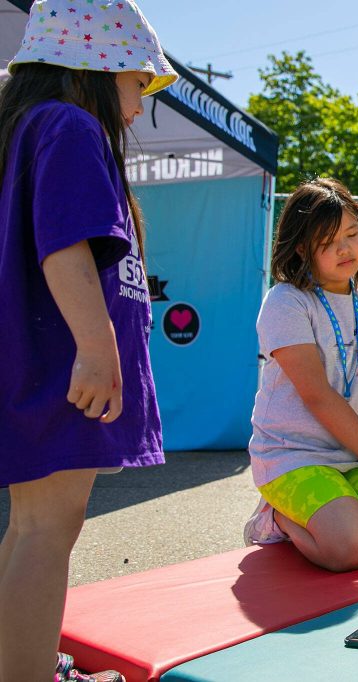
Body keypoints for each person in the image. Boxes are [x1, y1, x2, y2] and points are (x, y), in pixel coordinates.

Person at [0, 2, 178, 680]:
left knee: (32, 526)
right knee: (49, 529)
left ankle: (24, 663)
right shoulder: (70, 126)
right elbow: (63, 245)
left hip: (39, 363)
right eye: (137, 85)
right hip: (58, 368)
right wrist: (99, 347)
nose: (137, 107)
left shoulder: (33, 124)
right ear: (94, 70)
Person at [244, 178, 358, 573]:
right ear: (301, 248)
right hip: (292, 455)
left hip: (353, 456)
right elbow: (318, 395)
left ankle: (342, 502)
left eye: (352, 233)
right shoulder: (286, 301)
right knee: (351, 546)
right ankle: (274, 517)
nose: (345, 248)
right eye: (328, 242)